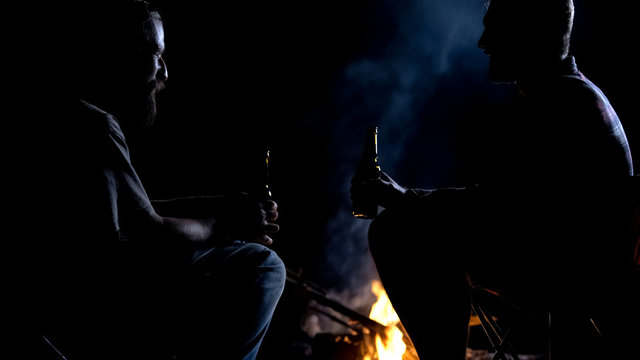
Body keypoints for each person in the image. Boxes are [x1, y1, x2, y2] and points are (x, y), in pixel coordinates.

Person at [350, 0, 638, 359]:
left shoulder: (561, 107)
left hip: (569, 277)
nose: (482, 41)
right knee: (415, 223)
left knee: (395, 231)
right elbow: (499, 202)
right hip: (576, 264)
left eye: (494, 29)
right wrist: (408, 197)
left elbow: (497, 209)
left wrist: (405, 201)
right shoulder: (570, 95)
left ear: (528, 37)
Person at [12, 1, 286, 359]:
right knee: (263, 265)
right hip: (89, 293)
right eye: (156, 54)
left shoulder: (67, 111)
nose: (165, 72)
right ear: (121, 54)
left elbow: (135, 206)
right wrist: (227, 223)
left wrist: (221, 206)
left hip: (71, 285)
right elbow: (149, 228)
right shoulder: (94, 125)